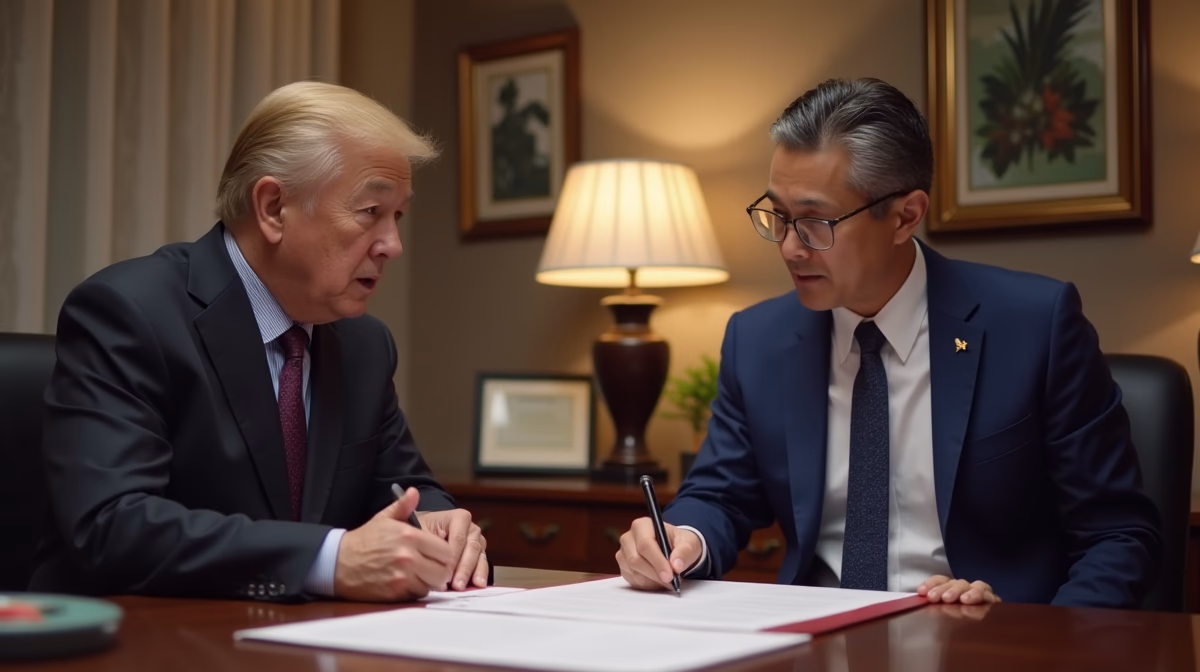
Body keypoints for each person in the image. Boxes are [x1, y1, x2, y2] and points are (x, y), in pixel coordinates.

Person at [615, 78, 1161, 608]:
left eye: (814, 222)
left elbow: (1117, 536)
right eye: (777, 215)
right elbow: (720, 495)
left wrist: (1026, 634)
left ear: (905, 216)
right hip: (813, 642)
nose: (788, 246)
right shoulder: (757, 339)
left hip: (985, 641)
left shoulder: (1035, 326)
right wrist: (683, 537)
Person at [30, 81, 488, 603]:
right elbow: (111, 524)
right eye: (370, 213)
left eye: (397, 216)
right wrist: (329, 561)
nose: (392, 246)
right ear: (273, 207)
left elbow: (403, 486)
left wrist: (438, 521)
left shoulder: (365, 344)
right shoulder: (129, 312)